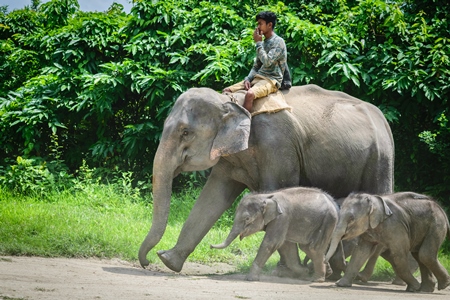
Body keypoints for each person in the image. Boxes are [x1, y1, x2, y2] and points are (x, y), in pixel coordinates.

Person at [223, 11, 288, 112]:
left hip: (271, 80)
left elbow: (267, 62)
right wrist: (248, 79)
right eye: (257, 24)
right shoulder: (263, 43)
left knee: (250, 94)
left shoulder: (278, 42)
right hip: (258, 77)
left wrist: (258, 43)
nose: (258, 27)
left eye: (260, 23)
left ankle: (244, 123)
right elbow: (256, 66)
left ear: (270, 25)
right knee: (226, 91)